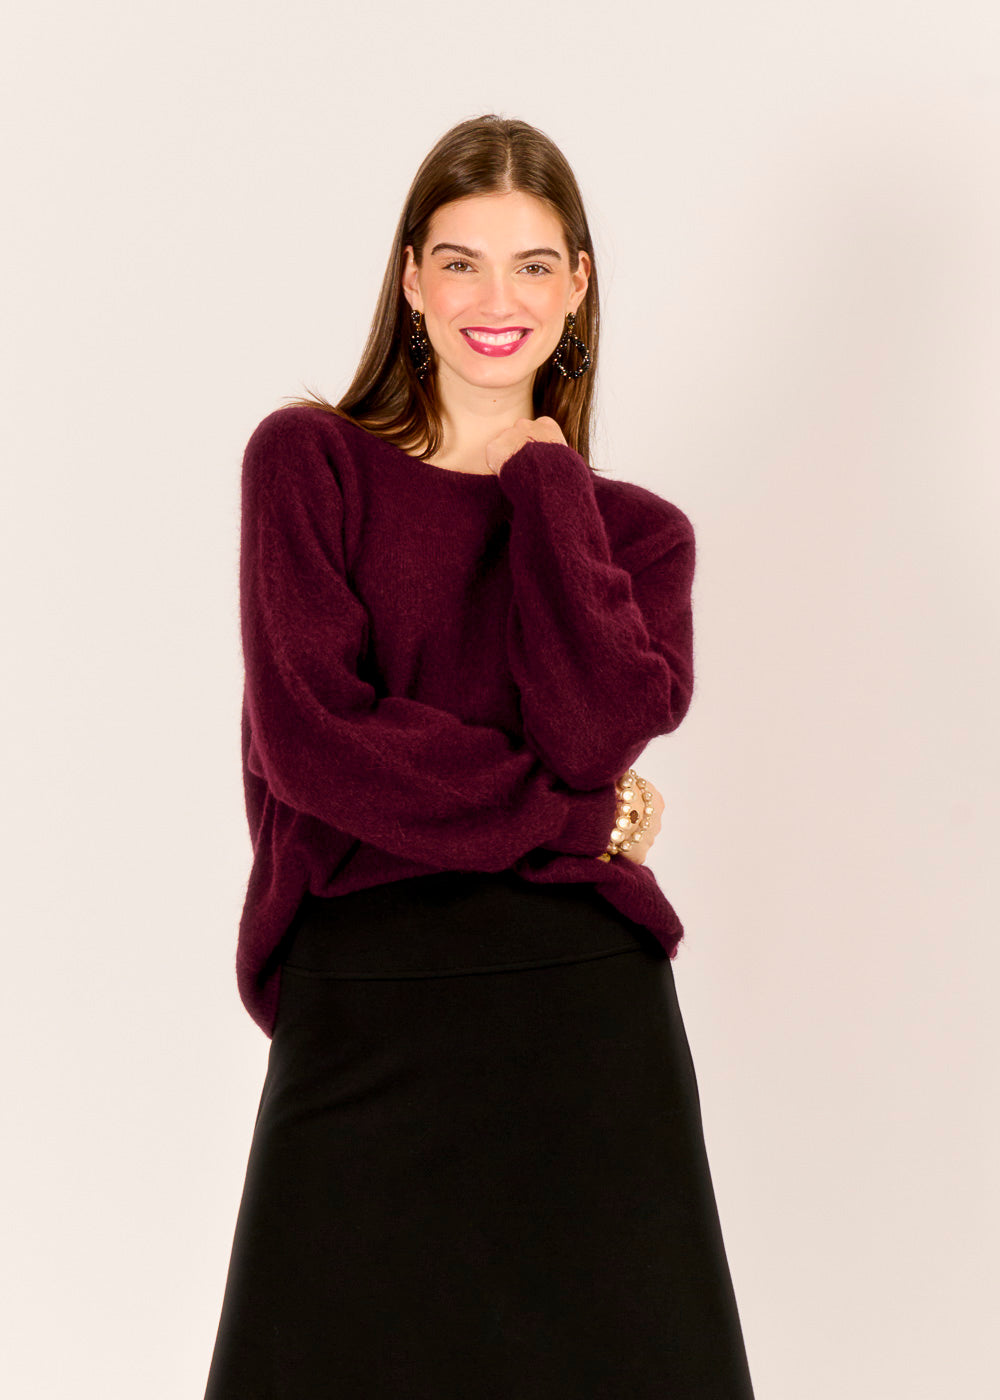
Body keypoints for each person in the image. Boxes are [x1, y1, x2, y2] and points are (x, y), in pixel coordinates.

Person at [203, 113, 756, 1399]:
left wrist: (546, 484)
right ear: (410, 278)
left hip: (582, 1005)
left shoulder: (637, 534)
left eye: (530, 265)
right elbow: (315, 739)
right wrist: (571, 820)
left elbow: (593, 730)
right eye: (459, 262)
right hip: (365, 990)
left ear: (577, 285)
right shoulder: (309, 462)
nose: (493, 300)